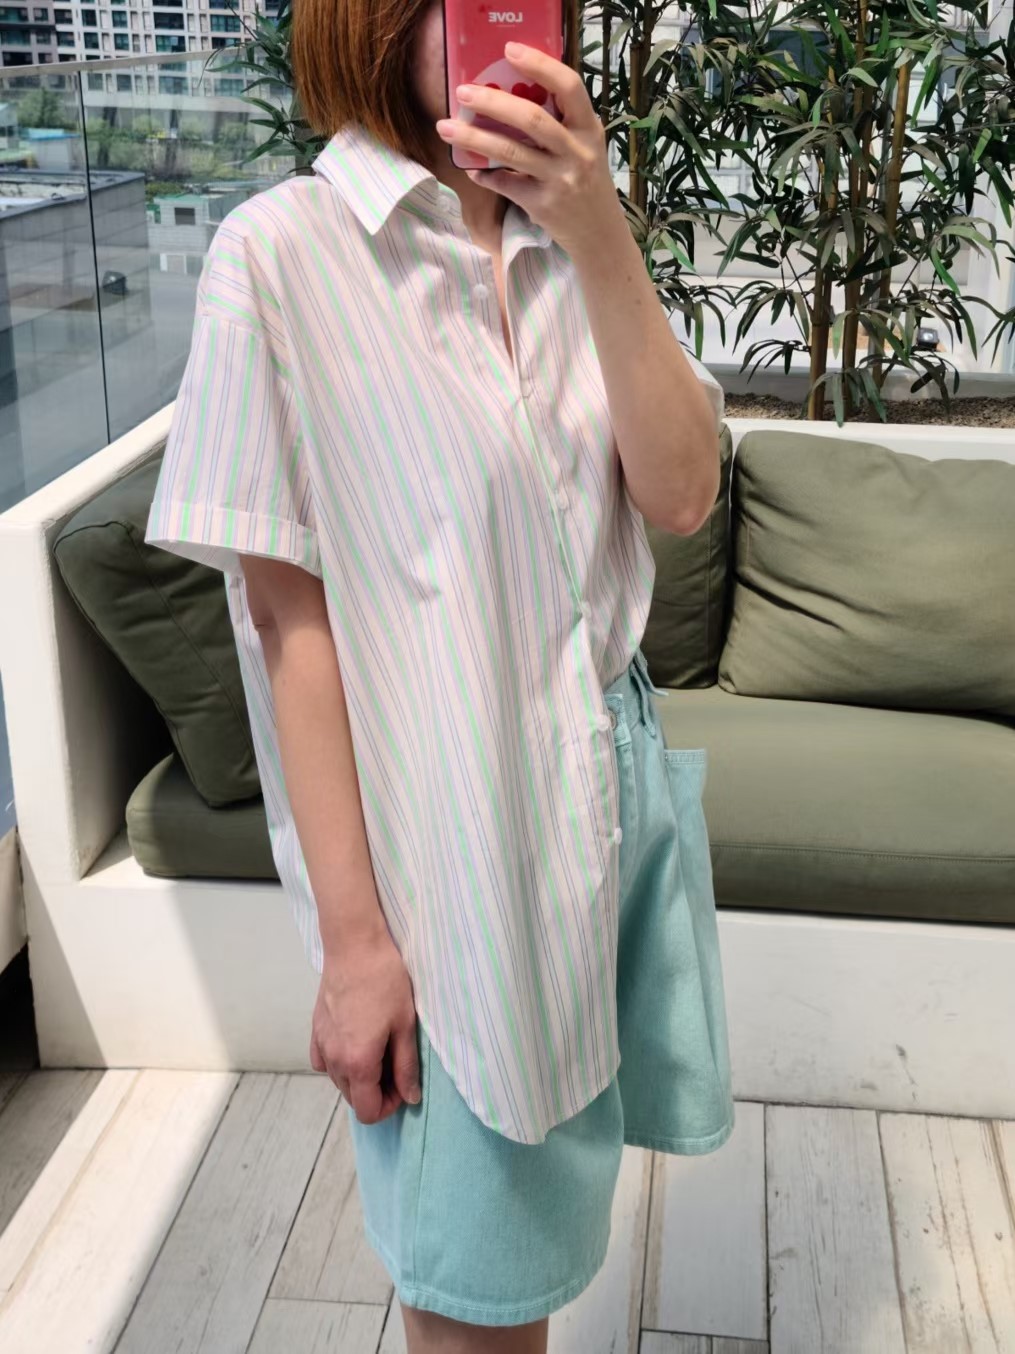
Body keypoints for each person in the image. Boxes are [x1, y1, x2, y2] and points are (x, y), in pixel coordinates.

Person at [144, 0, 735, 1346]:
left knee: (551, 1227)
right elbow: (289, 628)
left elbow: (682, 495)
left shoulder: (569, 231)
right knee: (478, 1286)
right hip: (450, 853)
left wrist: (601, 234)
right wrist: (355, 947)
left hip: (608, 799)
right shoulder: (281, 256)